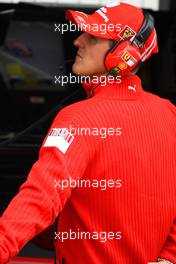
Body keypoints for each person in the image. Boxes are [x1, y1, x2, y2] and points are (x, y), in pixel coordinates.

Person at [0, 2, 176, 264]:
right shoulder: (169, 114)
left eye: (93, 36)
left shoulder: (78, 119)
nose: (77, 41)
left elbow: (39, 199)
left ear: (123, 53)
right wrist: (169, 257)